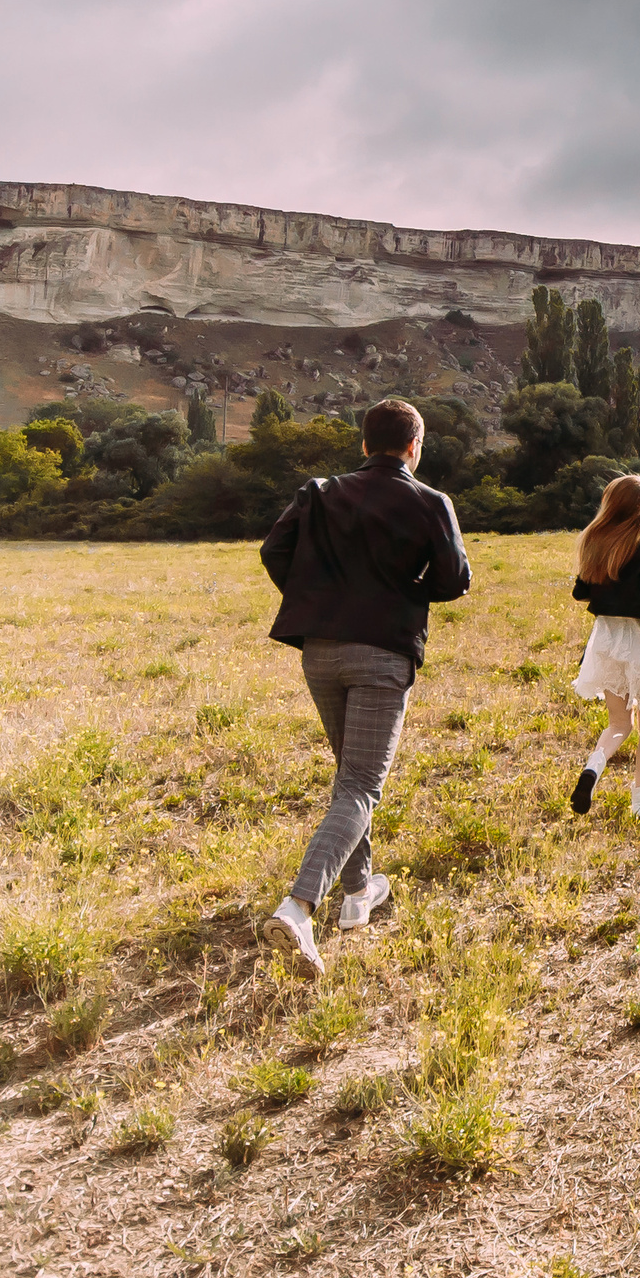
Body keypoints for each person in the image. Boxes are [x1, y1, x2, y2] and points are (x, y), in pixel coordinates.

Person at [255, 397, 471, 978]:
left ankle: (359, 895)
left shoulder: (318, 491)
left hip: (319, 652)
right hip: (382, 653)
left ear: (363, 443)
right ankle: (299, 907)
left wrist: (313, 596)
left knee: (350, 775)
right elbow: (457, 579)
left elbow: (272, 550)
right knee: (359, 784)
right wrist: (403, 590)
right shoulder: (431, 502)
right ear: (414, 447)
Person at [568, 473, 640, 818]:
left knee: (618, 724)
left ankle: (593, 768)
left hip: (605, 637)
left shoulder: (594, 540)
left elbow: (580, 592)